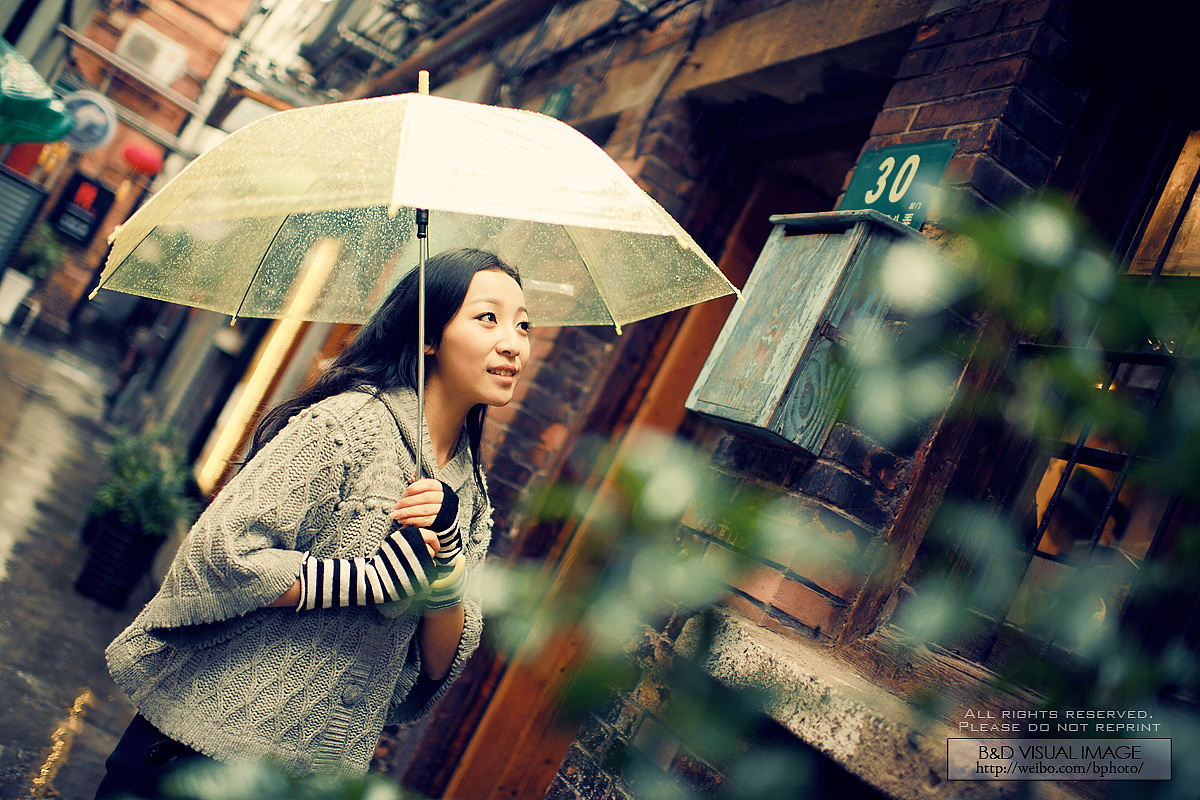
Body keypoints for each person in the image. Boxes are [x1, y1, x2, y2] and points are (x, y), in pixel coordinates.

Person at [94, 248, 530, 797]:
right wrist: (372, 580)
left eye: (522, 324)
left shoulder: (471, 491)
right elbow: (223, 555)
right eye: (487, 317)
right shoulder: (346, 425)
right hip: (199, 752)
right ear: (428, 336)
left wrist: (446, 557)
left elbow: (438, 661)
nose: (513, 342)